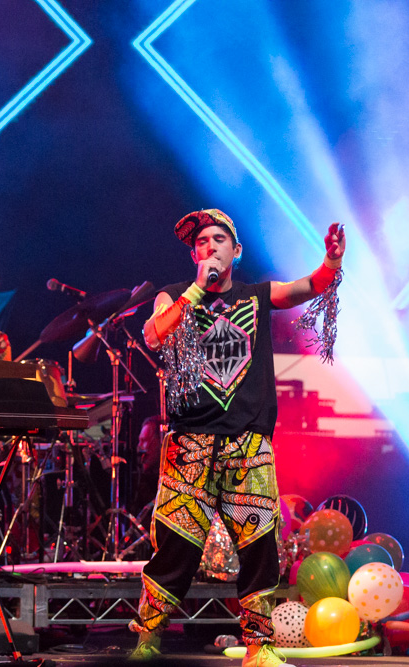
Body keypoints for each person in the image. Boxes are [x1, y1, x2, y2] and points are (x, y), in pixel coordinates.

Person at [129, 209, 345, 667]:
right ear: (194, 255)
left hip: (248, 445)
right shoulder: (173, 296)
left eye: (219, 240)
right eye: (202, 242)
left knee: (260, 548)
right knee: (175, 547)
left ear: (236, 251)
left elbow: (307, 287)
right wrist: (194, 289)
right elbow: (154, 335)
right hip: (190, 446)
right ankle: (147, 638)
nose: (210, 247)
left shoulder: (256, 296)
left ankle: (259, 647)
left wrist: (330, 263)